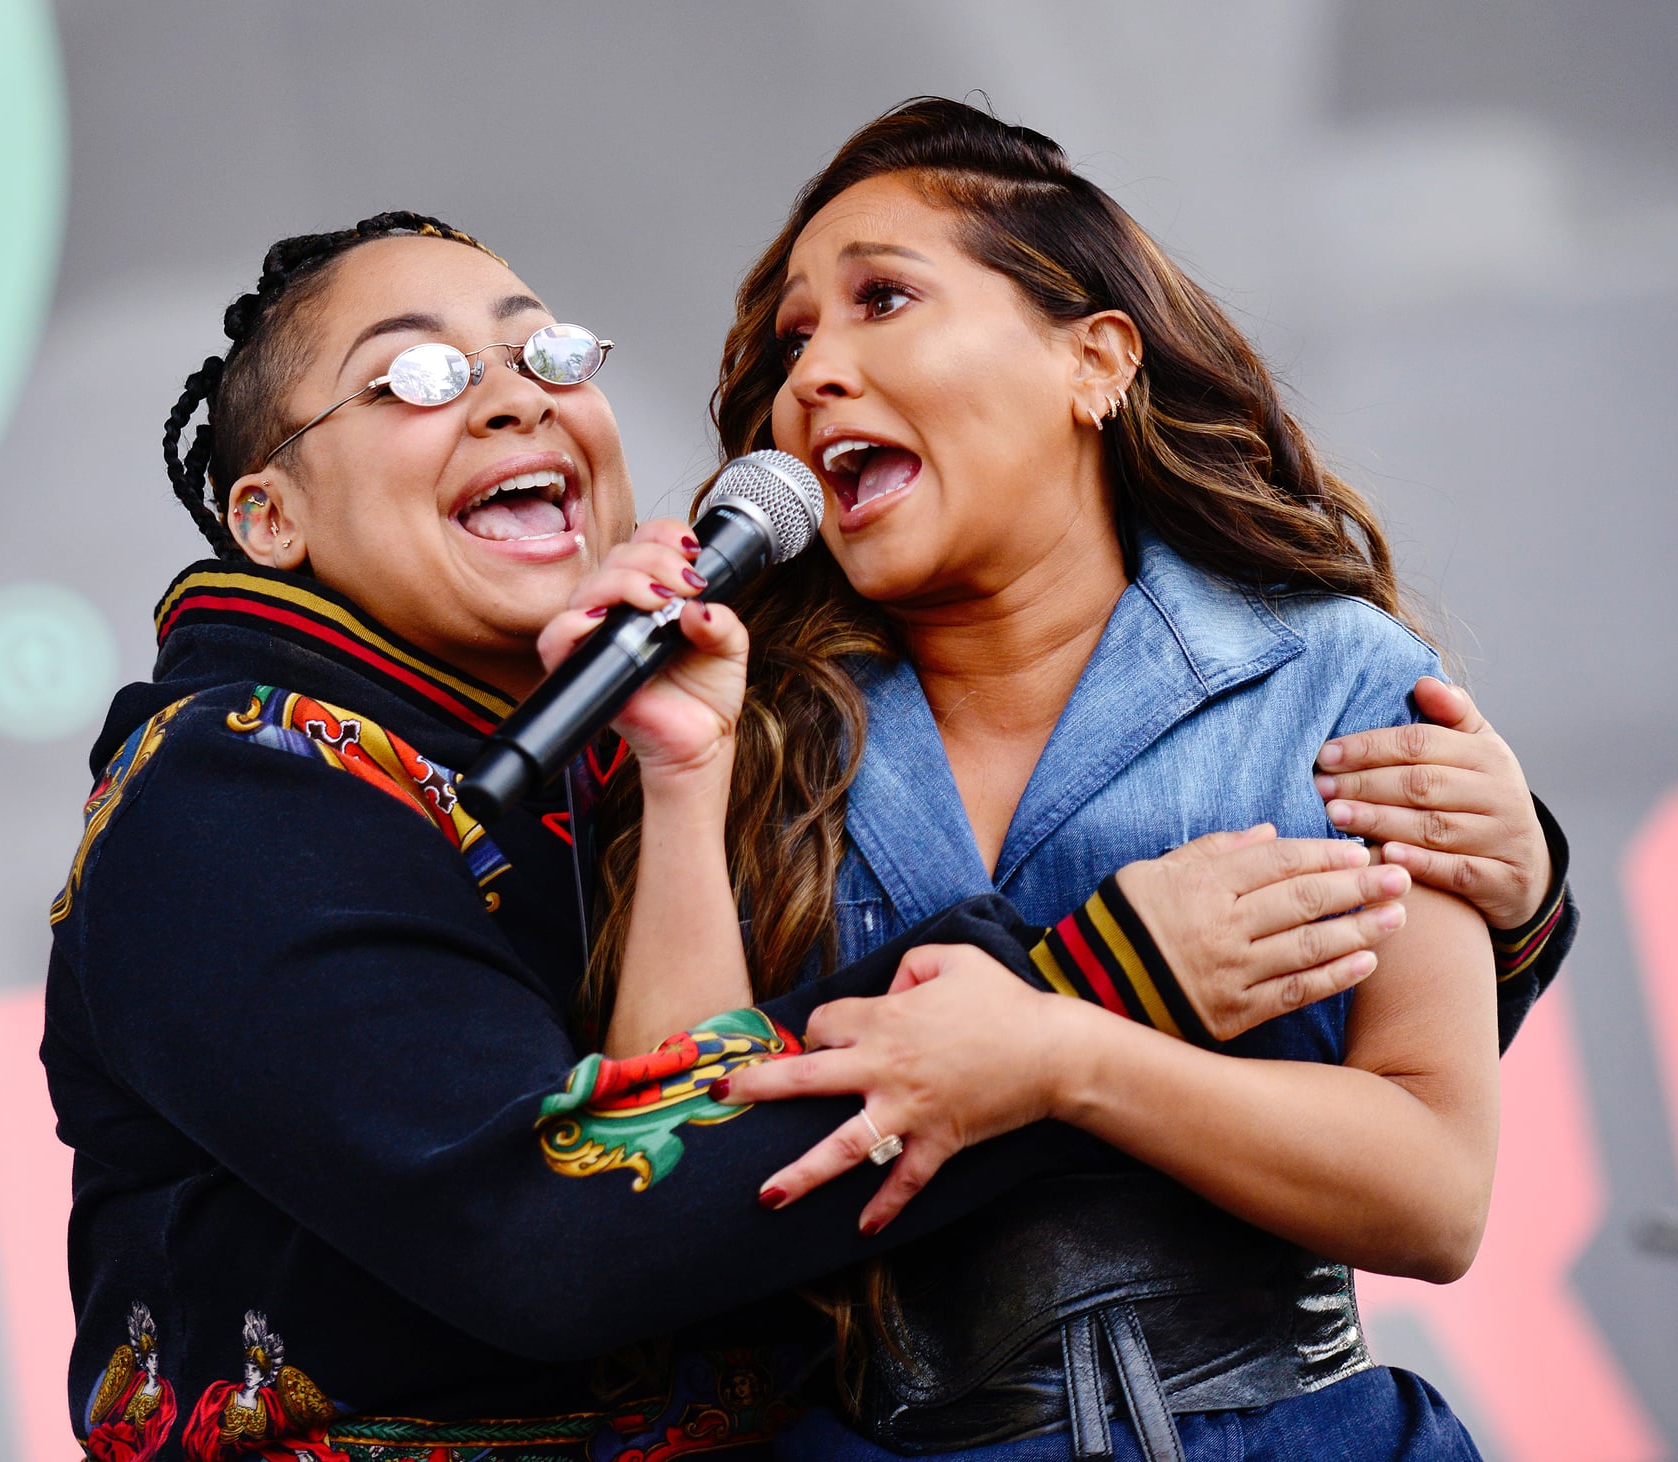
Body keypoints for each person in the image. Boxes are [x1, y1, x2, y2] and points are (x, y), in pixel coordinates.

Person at [46, 207, 1567, 1462]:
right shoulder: (233, 796)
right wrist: (1081, 995)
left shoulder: (674, 736)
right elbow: (559, 1222)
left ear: (1097, 359)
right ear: (269, 518)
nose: (515, 396)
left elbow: (1338, 1080)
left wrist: (1506, 894)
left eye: (545, 351)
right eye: (421, 377)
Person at [611, 98, 1580, 1459]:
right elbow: (667, 1180)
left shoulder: (1333, 679)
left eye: (883, 296)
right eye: (793, 340)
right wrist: (680, 773)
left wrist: (1066, 1055)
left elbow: (1433, 1189)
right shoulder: (759, 728)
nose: (816, 371)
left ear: (1096, 359)